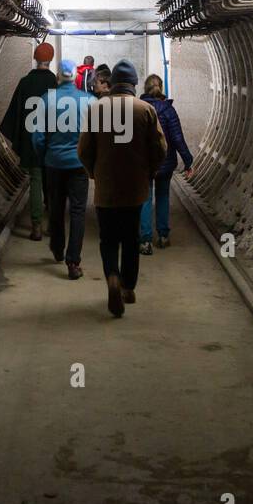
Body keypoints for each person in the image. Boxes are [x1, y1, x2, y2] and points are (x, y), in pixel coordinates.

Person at [78, 59, 167, 318]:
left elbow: (83, 150)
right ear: (134, 84)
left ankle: (112, 278)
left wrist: (94, 173)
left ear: (114, 83)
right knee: (131, 238)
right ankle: (128, 286)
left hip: (106, 188)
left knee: (108, 239)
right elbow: (160, 148)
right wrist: (149, 172)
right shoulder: (145, 109)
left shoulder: (97, 109)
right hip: (135, 188)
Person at [31, 59, 95, 279]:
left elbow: (37, 137)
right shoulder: (89, 101)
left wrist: (45, 157)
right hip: (79, 166)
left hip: (54, 164)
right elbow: (96, 137)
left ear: (58, 76)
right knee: (78, 213)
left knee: (57, 209)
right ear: (75, 78)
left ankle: (57, 248)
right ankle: (73, 262)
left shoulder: (45, 100)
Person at [0, 41, 56, 240]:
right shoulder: (55, 83)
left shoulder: (25, 82)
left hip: (32, 141)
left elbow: (15, 113)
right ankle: (53, 226)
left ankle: (36, 226)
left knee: (36, 181)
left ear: (35, 59)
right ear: (51, 59)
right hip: (51, 141)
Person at [138, 74, 195, 255]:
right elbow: (178, 139)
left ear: (145, 89)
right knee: (163, 197)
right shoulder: (169, 111)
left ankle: (145, 240)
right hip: (165, 162)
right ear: (161, 88)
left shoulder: (139, 109)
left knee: (145, 199)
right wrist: (188, 162)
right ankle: (163, 236)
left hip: (145, 163)